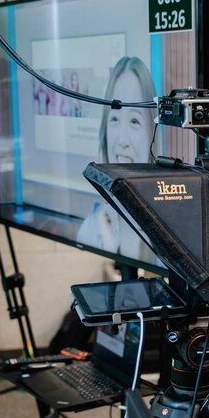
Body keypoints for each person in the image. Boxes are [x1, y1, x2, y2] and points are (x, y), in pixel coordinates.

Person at [77, 56, 157, 264]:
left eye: (134, 121)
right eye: (114, 118)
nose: (122, 140)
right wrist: (105, 261)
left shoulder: (171, 232)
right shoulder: (92, 230)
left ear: (152, 131)